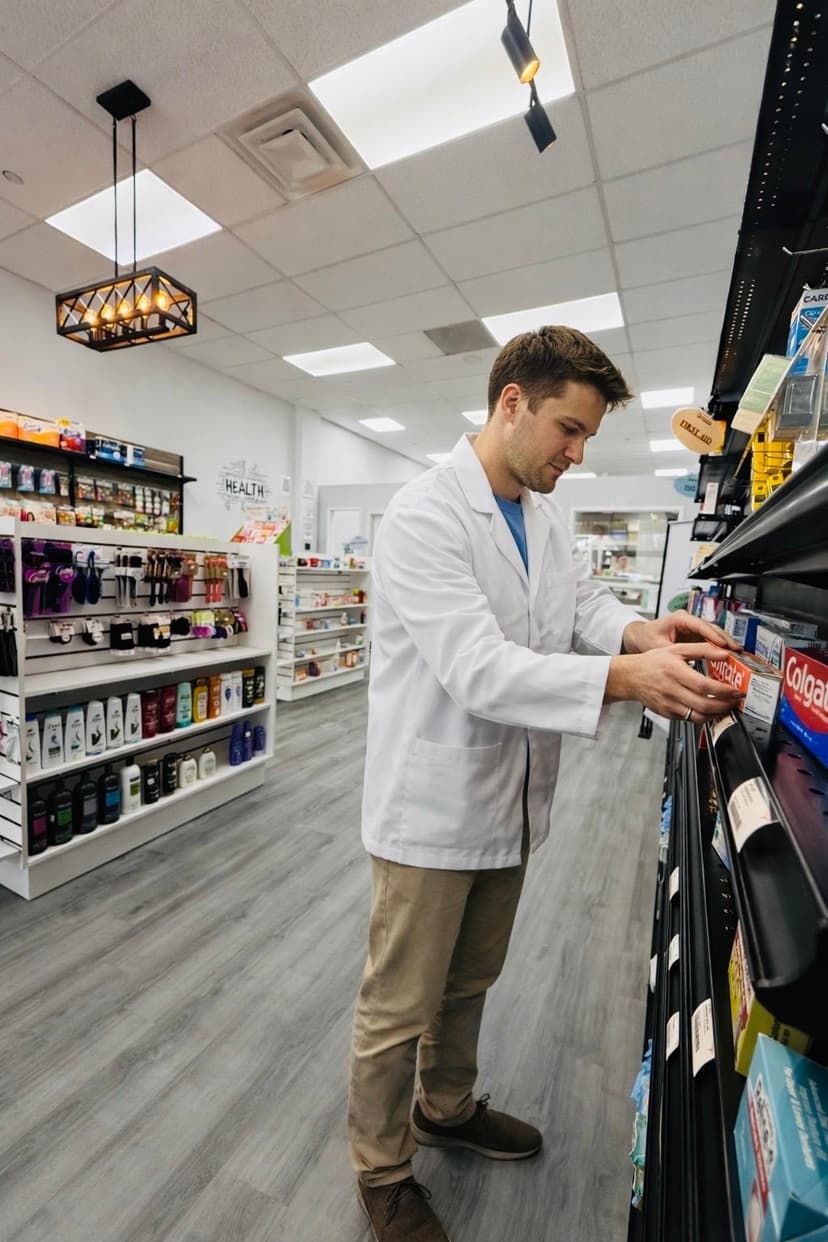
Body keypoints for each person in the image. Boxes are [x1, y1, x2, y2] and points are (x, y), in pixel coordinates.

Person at [348, 326, 742, 1242]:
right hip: (430, 808)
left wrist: (637, 633)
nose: (576, 454)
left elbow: (577, 605)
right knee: (398, 1003)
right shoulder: (423, 516)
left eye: (588, 439)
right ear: (511, 402)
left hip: (513, 798)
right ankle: (381, 1169)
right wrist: (618, 681)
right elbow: (478, 668)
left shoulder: (542, 510)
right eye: (569, 430)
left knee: (472, 978)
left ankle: (444, 1108)